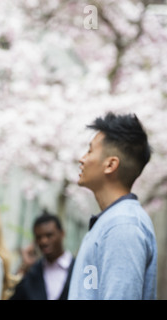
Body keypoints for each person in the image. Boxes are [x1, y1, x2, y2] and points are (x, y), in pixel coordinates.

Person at [68, 112, 157, 300]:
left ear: (110, 165)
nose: (82, 159)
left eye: (90, 151)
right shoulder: (113, 221)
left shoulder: (123, 225)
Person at [9, 211, 75, 300]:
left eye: (49, 235)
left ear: (62, 233)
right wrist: (24, 268)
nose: (43, 241)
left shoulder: (79, 268)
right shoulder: (32, 271)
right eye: (39, 237)